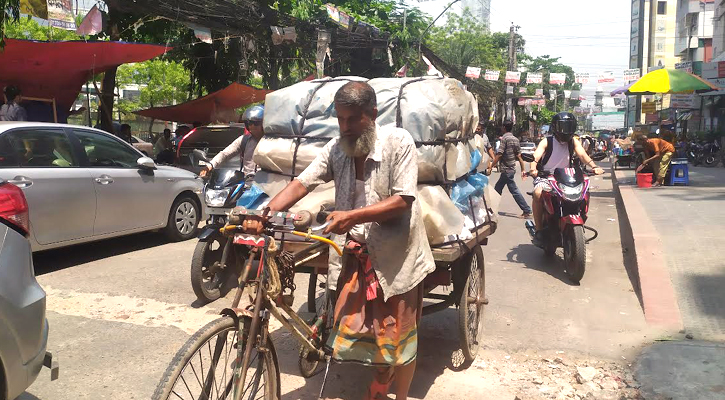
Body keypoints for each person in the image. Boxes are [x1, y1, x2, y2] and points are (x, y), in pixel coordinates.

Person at [244, 82, 434, 400]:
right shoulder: (337, 149)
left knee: (398, 339)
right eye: (340, 119)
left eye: (353, 119)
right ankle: (378, 380)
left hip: (394, 257)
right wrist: (265, 211)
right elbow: (302, 183)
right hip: (353, 252)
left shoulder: (398, 142)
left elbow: (403, 201)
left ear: (372, 115)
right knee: (361, 334)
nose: (345, 127)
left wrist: (353, 216)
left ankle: (399, 396)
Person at [528, 112, 604, 245]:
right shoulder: (547, 141)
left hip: (567, 177)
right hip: (546, 176)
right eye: (563, 127)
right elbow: (536, 156)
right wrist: (533, 168)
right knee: (538, 193)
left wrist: (594, 166)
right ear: (555, 127)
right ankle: (539, 230)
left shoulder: (573, 142)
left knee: (584, 192)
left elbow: (582, 155)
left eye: (569, 127)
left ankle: (580, 219)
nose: (565, 131)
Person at [200, 105, 264, 178]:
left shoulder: (272, 142)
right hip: (246, 184)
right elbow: (225, 154)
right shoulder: (244, 140)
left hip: (265, 185)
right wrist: (210, 165)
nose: (252, 126)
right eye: (249, 123)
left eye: (256, 123)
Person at [488, 121, 532, 219]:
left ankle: (527, 210)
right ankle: (491, 209)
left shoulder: (505, 139)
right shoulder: (515, 139)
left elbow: (499, 154)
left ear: (504, 127)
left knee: (513, 190)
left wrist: (491, 166)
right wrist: (523, 169)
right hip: (511, 169)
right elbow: (519, 156)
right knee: (498, 189)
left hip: (506, 169)